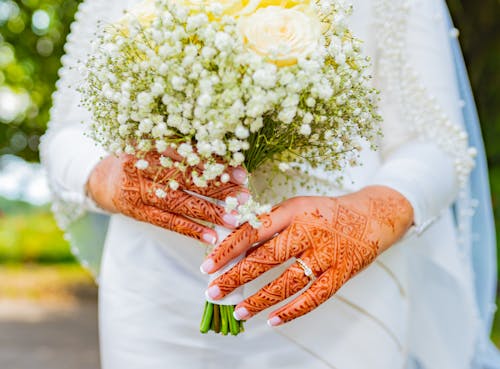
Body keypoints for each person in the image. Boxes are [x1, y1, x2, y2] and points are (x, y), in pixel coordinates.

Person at [40, 0, 500, 368]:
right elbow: (65, 134)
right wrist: (104, 177)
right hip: (155, 295)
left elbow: (439, 141)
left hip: (338, 293)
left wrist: (370, 214)